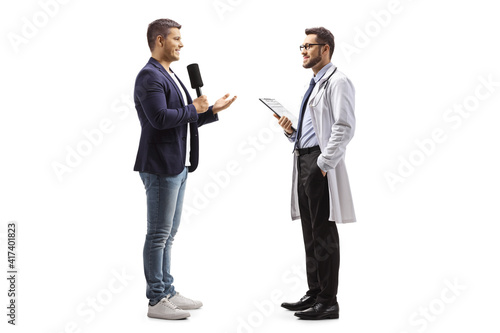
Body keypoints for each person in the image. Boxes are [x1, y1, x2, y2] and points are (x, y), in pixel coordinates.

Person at [133, 18, 237, 320]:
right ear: (159, 41)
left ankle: (167, 290)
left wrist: (211, 110)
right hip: (160, 166)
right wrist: (195, 109)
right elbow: (160, 119)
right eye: (176, 38)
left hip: (177, 165)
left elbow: (183, 118)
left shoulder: (170, 74)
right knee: (157, 234)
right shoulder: (149, 77)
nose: (181, 44)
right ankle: (156, 300)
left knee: (169, 233)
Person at [275, 27, 356, 320]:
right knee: (310, 231)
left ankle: (328, 300)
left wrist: (323, 164)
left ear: (326, 49)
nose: (304, 51)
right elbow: (313, 130)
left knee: (323, 231)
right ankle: (314, 292)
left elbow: (343, 127)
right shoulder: (314, 84)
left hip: (318, 164)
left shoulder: (339, 82)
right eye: (302, 46)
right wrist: (291, 132)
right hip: (303, 159)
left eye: (309, 46)